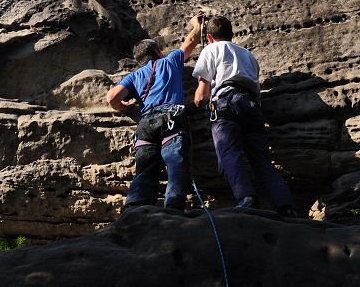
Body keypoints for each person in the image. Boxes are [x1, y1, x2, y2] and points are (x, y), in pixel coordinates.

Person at [192, 15, 297, 217]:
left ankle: (246, 198)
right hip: (251, 106)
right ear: (231, 34)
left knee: (229, 154)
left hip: (225, 103)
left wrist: (196, 103)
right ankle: (284, 206)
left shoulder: (211, 49)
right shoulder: (248, 55)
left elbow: (202, 93)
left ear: (210, 37)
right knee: (261, 160)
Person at [106, 15, 202, 211]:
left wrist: (125, 107)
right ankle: (173, 208)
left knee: (145, 170)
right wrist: (195, 24)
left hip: (146, 123)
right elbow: (192, 40)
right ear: (158, 51)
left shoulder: (134, 75)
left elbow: (112, 98)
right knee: (175, 163)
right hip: (172, 120)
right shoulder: (170, 61)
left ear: (139, 60)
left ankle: (136, 208)